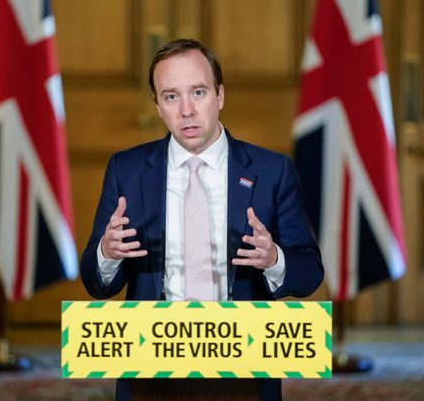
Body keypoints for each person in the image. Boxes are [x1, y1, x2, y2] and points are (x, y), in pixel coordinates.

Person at [81, 39, 323, 401]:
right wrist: (106, 253)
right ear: (158, 106)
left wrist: (274, 259)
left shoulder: (272, 171)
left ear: (220, 95)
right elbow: (95, 282)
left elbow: (309, 274)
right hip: (150, 359)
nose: (187, 111)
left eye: (198, 92)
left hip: (244, 362)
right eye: (171, 97)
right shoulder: (127, 170)